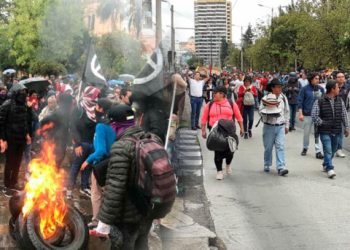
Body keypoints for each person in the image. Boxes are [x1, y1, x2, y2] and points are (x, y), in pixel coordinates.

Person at [90, 104, 156, 249]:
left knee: (125, 245)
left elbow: (114, 190)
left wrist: (103, 224)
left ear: (115, 124)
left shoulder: (121, 147)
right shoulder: (150, 139)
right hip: (147, 209)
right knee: (142, 244)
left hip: (128, 214)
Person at [79, 98, 115, 229]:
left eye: (97, 107)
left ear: (102, 109)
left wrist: (87, 160)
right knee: (109, 194)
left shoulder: (101, 126)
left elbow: (101, 150)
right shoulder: (114, 124)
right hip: (113, 162)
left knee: (96, 194)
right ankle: (108, 221)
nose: (95, 109)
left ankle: (96, 221)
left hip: (100, 165)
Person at [201, 86, 244, 180]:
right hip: (215, 131)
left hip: (229, 130)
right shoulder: (210, 104)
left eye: (215, 92)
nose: (213, 94)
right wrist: (203, 130)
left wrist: (242, 128)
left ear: (222, 94)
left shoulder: (231, 103)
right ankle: (219, 171)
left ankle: (228, 164)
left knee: (230, 151)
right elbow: (204, 118)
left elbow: (238, 116)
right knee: (218, 151)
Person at [67, 86, 100, 198]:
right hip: (81, 143)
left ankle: (84, 187)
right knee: (76, 166)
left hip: (92, 143)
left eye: (97, 96)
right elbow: (72, 127)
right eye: (94, 96)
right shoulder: (78, 108)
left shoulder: (95, 109)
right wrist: (77, 144)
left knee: (87, 166)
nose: (96, 98)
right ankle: (69, 189)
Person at [311, 80, 349, 178]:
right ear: (332, 89)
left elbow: (344, 114)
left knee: (333, 149)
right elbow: (314, 116)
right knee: (327, 149)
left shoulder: (340, 100)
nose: (339, 89)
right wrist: (323, 123)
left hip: (336, 129)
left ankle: (325, 163)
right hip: (324, 131)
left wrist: (346, 127)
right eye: (337, 88)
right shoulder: (319, 100)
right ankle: (330, 168)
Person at [0, 83, 32, 197]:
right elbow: (1, 123)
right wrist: (2, 140)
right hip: (10, 139)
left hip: (21, 139)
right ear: (16, 93)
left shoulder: (23, 105)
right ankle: (6, 186)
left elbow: (25, 121)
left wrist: (27, 134)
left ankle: (13, 182)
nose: (24, 94)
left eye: (25, 92)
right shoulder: (7, 105)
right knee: (10, 162)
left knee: (18, 162)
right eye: (22, 92)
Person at [259, 79, 290, 176]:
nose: (280, 89)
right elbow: (260, 111)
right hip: (269, 126)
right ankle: (267, 163)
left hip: (280, 126)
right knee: (268, 147)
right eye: (278, 87)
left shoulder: (283, 98)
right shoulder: (265, 98)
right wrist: (268, 112)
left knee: (280, 146)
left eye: (281, 87)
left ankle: (281, 167)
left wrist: (287, 125)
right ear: (272, 88)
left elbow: (286, 112)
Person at [297, 72, 324, 159]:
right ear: (311, 79)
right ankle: (305, 148)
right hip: (307, 114)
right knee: (306, 133)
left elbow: (324, 101)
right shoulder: (304, 89)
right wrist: (301, 114)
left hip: (318, 115)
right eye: (316, 78)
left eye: (318, 78)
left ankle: (318, 151)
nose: (318, 80)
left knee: (317, 134)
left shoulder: (321, 89)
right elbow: (300, 101)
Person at [334, 71, 348, 158]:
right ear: (336, 78)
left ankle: (339, 149)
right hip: (332, 112)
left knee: (341, 131)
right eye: (339, 77)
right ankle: (333, 148)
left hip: (343, 112)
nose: (341, 78)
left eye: (342, 76)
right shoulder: (333, 87)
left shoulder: (347, 88)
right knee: (333, 132)